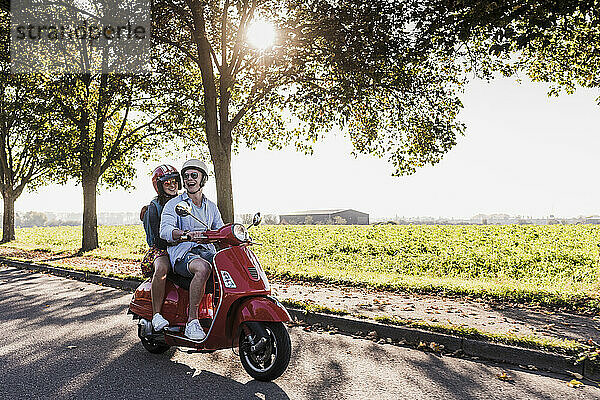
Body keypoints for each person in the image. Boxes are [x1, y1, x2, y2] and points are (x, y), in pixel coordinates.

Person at [160, 159, 224, 340]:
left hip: (206, 251)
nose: (189, 179)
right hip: (183, 254)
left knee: (228, 267)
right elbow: (165, 230)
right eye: (186, 176)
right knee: (203, 268)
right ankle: (192, 322)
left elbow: (219, 228)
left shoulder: (211, 207)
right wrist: (185, 234)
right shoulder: (174, 204)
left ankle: (220, 314)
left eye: (194, 175)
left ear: (203, 179)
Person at [140, 164, 181, 332]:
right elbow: (156, 239)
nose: (172, 186)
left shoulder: (185, 201)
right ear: (159, 185)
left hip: (184, 245)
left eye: (175, 182)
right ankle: (157, 315)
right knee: (163, 268)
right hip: (161, 249)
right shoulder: (153, 208)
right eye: (167, 183)